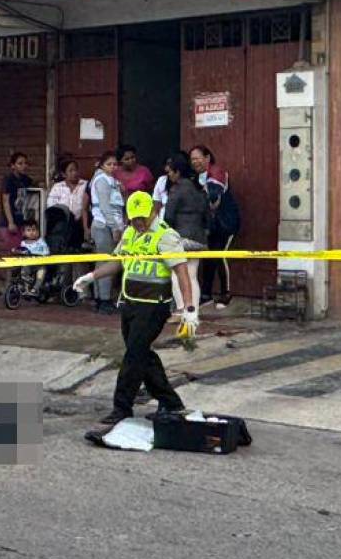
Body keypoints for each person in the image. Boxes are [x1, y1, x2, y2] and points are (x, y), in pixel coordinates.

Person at [74, 191, 198, 425]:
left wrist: (189, 309)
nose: (139, 223)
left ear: (152, 212)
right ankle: (170, 402)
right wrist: (91, 276)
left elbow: (182, 273)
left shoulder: (166, 236)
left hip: (154, 306)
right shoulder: (130, 233)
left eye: (142, 218)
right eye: (134, 220)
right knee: (142, 354)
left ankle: (122, 407)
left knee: (133, 355)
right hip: (130, 302)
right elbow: (118, 262)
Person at [190, 144, 241, 309]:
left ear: (207, 158)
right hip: (211, 226)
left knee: (220, 255)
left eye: (197, 158)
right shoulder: (196, 178)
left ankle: (226, 293)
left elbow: (213, 197)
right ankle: (206, 294)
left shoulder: (217, 172)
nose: (194, 162)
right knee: (208, 257)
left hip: (225, 223)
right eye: (192, 159)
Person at [162, 152, 207, 315]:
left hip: (181, 238)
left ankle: (181, 309)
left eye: (170, 172)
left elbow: (168, 216)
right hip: (199, 238)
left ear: (177, 171)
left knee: (177, 274)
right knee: (193, 276)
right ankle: (193, 312)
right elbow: (207, 215)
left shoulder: (177, 189)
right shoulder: (199, 188)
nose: (169, 175)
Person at [88, 151, 124, 315]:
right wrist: (114, 227)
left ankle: (99, 297)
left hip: (110, 224)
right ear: (102, 165)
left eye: (115, 164)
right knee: (107, 263)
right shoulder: (101, 180)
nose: (113, 167)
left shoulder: (113, 181)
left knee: (101, 262)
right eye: (109, 164)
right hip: (104, 226)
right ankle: (104, 300)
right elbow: (105, 207)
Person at [46, 157, 90, 244]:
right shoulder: (58, 187)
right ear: (63, 174)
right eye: (70, 171)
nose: (74, 173)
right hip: (62, 225)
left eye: (76, 170)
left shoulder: (85, 185)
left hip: (80, 223)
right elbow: (51, 206)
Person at [0, 152, 34, 253]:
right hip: (9, 222)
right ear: (13, 166)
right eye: (20, 163)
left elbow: (37, 186)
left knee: (24, 252)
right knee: (15, 251)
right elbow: (5, 201)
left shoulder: (25, 180)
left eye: (25, 163)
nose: (24, 166)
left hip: (22, 221)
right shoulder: (8, 180)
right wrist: (10, 222)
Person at [15, 219, 50, 299]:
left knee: (41, 272)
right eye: (28, 230)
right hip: (28, 264)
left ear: (37, 231)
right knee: (24, 268)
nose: (31, 232)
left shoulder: (41, 242)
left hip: (39, 264)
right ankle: (26, 286)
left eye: (34, 230)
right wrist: (18, 251)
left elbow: (46, 251)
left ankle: (35, 289)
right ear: (24, 233)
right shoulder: (23, 243)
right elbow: (20, 250)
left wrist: (42, 254)